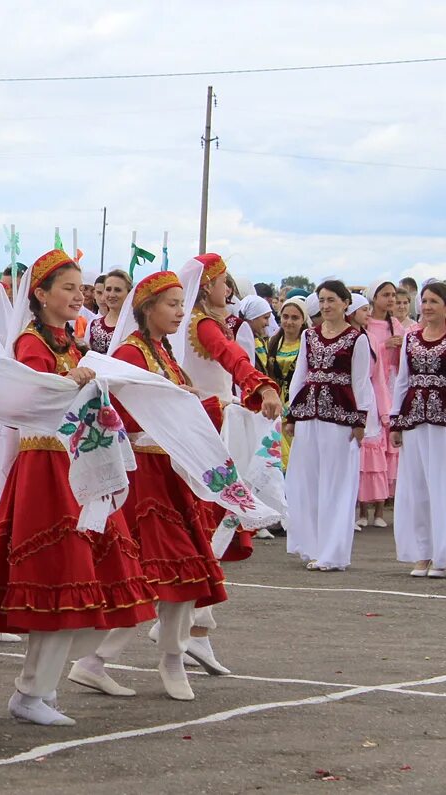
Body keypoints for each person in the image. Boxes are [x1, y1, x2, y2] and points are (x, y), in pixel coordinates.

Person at [0, 251, 155, 727]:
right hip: (48, 470)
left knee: (87, 585)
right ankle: (33, 691)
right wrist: (68, 380)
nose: (81, 295)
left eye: (83, 288)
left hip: (78, 466)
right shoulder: (32, 342)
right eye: (70, 288)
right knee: (60, 580)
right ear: (40, 294)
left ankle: (40, 686)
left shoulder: (70, 342)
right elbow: (32, 395)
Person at [71, 269, 241, 703]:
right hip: (142, 476)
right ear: (147, 308)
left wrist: (217, 405)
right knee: (153, 572)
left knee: (182, 571)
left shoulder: (163, 353)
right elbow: (124, 413)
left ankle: (159, 656)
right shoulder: (130, 354)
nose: (179, 312)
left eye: (182, 304)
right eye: (171, 304)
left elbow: (174, 403)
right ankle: (105, 661)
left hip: (168, 472)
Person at [175, 254, 283, 670]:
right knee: (213, 522)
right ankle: (185, 625)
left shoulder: (189, 325)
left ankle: (196, 626)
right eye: (224, 284)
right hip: (211, 426)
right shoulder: (202, 325)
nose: (229, 292)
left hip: (202, 422)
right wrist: (262, 385)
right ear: (206, 287)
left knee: (213, 524)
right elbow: (233, 358)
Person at [285, 281, 376, 572]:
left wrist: (360, 420)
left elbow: (361, 381)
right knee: (308, 481)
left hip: (340, 418)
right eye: (322, 300)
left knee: (337, 484)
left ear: (345, 303)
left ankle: (332, 551)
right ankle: (312, 545)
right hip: (310, 415)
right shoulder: (309, 336)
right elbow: (300, 375)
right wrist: (292, 415)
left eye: (332, 300)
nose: (326, 306)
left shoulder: (356, 338)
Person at [389, 281, 446, 578]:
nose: (427, 306)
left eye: (434, 302)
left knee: (444, 488)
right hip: (415, 420)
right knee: (417, 489)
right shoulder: (410, 339)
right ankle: (423, 553)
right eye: (425, 301)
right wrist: (395, 420)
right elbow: (403, 381)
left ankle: (445, 554)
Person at [361, 280, 404, 529]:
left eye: (393, 295)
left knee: (386, 446)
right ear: (374, 297)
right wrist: (384, 345)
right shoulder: (366, 324)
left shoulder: (395, 325)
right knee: (370, 443)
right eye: (386, 295)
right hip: (372, 385)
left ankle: (380, 507)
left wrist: (397, 347)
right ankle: (364, 508)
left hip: (389, 383)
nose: (390, 300)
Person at [262, 297, 310, 471]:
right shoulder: (273, 342)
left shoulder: (308, 343)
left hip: (299, 403)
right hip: (277, 402)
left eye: (295, 318)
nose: (289, 322)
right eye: (285, 316)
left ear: (303, 320)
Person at [88, 270, 132, 353]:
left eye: (117, 290)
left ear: (128, 293)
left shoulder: (135, 326)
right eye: (108, 289)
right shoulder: (93, 324)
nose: (111, 295)